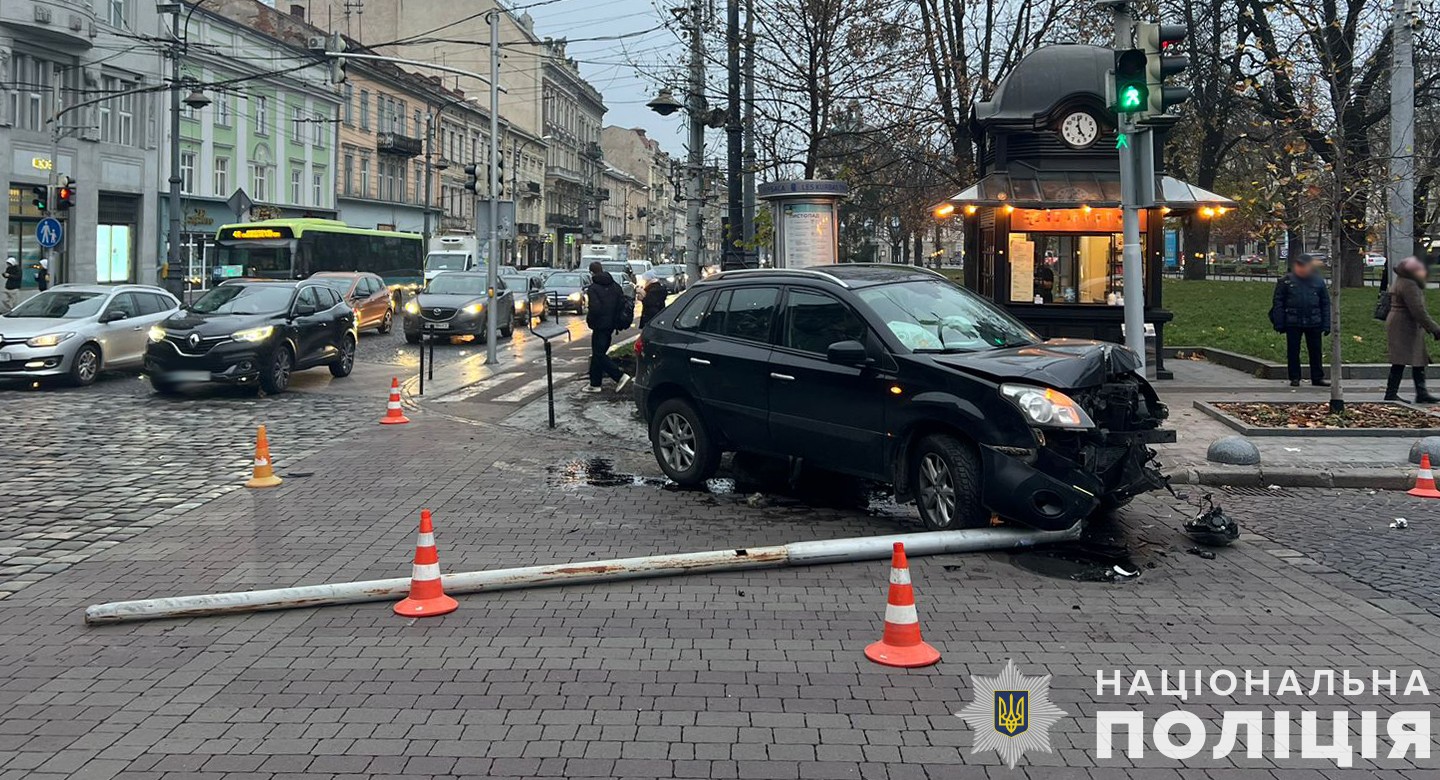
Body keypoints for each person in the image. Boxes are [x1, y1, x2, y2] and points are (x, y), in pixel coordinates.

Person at [1269, 254, 1330, 387]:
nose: (1301, 269)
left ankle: (1317, 377)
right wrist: (1279, 322)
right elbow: (1278, 302)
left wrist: (1326, 324)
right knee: (1293, 350)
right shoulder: (1286, 281)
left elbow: (1325, 303)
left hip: (1314, 320)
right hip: (1293, 320)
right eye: (1299, 266)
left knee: (1315, 350)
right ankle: (1294, 377)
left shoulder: (1318, 281)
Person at [1385, 256, 1440, 403]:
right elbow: (1418, 310)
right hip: (1405, 324)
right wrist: (1434, 328)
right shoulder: (1410, 284)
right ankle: (1392, 393)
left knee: (1417, 359)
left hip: (1403, 322)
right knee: (1400, 359)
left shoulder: (1402, 280)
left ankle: (1420, 393)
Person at [584, 261, 630, 393]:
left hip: (599, 326)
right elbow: (622, 303)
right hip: (611, 325)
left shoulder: (593, 288)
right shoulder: (615, 285)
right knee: (598, 353)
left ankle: (619, 376)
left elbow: (595, 308)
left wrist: (590, 321)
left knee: (598, 354)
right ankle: (595, 384)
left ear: (591, 272)